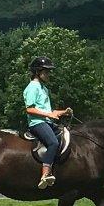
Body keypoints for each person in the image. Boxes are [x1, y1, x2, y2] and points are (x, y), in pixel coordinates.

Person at [24, 55, 71, 189]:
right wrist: (48, 114)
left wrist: (62, 112)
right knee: (53, 142)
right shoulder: (33, 87)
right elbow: (30, 109)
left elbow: (49, 112)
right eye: (46, 71)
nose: (48, 74)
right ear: (38, 72)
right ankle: (45, 174)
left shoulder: (43, 88)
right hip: (37, 123)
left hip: (46, 121)